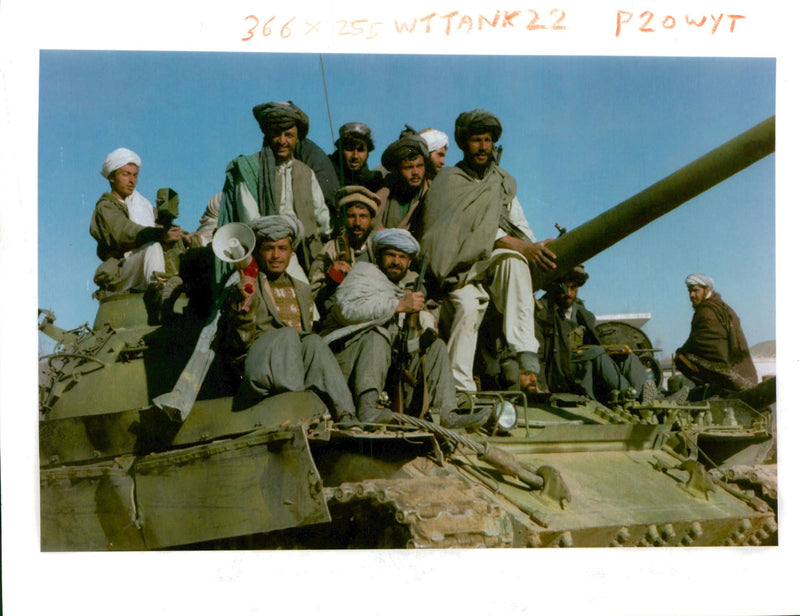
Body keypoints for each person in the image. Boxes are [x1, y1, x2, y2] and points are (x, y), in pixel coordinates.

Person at [420, 109, 557, 393]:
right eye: (476, 140)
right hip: (458, 272)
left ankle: (526, 356)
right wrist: (517, 244)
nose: (483, 147)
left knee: (515, 261)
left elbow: (520, 228)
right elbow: (445, 237)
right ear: (463, 143)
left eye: (487, 140)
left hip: (491, 266)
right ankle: (460, 390)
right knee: (469, 306)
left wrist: (532, 248)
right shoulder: (447, 181)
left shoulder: (502, 182)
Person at [322, 229, 489, 429]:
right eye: (391, 255)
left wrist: (419, 338)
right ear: (380, 256)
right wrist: (398, 305)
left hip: (383, 367)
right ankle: (367, 408)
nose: (396, 261)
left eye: (402, 257)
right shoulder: (363, 274)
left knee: (436, 347)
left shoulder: (398, 289)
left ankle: (447, 413)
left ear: (409, 263)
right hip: (346, 360)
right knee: (377, 335)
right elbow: (346, 310)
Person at [217, 214, 358, 427]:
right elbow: (240, 342)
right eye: (269, 248)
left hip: (294, 366)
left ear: (292, 252)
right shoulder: (246, 286)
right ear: (258, 252)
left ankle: (346, 415)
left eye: (282, 248)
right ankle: (295, 410)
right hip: (258, 365)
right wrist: (245, 297)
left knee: (313, 342)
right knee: (288, 334)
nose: (276, 255)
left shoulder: (302, 289)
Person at [215, 101, 332, 282]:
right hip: (262, 252)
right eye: (276, 134)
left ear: (297, 138)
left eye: (289, 135)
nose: (282, 141)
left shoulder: (306, 173)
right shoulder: (249, 169)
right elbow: (251, 220)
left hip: (303, 254)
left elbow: (322, 220)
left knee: (309, 301)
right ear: (267, 134)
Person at [533, 266, 650, 403]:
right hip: (561, 370)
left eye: (573, 288)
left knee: (625, 356)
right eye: (565, 288)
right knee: (597, 354)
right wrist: (542, 388)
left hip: (585, 363)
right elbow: (537, 355)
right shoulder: (543, 313)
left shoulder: (581, 312)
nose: (569, 293)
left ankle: (650, 397)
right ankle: (631, 398)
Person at [90, 147, 185, 294]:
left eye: (135, 175)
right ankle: (159, 291)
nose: (132, 181)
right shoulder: (106, 207)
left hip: (139, 265)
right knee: (152, 247)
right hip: (121, 271)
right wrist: (160, 235)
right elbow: (124, 231)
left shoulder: (139, 204)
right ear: (112, 177)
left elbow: (161, 226)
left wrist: (183, 235)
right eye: (126, 174)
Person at [675, 273, 758, 393]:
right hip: (743, 374)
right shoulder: (724, 308)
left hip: (726, 374)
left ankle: (714, 389)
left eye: (695, 290)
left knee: (680, 357)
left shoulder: (705, 312)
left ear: (707, 290)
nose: (691, 295)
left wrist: (682, 352)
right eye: (689, 291)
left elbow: (699, 345)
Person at [308, 185, 380, 319]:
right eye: (351, 216)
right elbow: (311, 297)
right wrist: (331, 278)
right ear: (343, 218)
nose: (357, 223)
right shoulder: (330, 251)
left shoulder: (378, 248)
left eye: (363, 216)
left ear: (372, 219)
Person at [374, 126, 436, 238]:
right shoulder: (383, 195)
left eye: (420, 166)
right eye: (408, 167)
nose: (416, 172)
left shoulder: (433, 192)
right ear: (396, 170)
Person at [328, 122, 383, 192]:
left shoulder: (375, 181)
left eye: (361, 150)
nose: (355, 156)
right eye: (349, 149)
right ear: (340, 150)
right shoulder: (326, 171)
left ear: (368, 152)